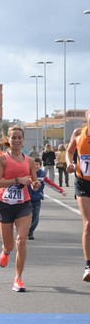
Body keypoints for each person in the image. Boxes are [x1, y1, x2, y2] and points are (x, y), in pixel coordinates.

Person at [0, 126, 40, 292]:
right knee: (10, 245)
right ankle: (6, 251)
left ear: (23, 140)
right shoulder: (2, 159)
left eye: (19, 138)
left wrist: (35, 184)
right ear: (9, 140)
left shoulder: (30, 161)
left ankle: (18, 279)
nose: (17, 141)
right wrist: (17, 180)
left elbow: (34, 184)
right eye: (13, 138)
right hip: (4, 204)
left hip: (23, 204)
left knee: (21, 240)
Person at [66, 108, 90, 282]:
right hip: (82, 182)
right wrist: (69, 164)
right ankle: (88, 265)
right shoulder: (78, 133)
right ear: (87, 116)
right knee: (88, 223)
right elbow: (69, 151)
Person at [28, 157, 66, 240]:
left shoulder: (42, 174)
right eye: (34, 164)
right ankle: (23, 231)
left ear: (41, 166)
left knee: (35, 217)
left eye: (37, 164)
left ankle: (30, 232)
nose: (35, 166)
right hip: (26, 199)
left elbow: (50, 183)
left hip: (36, 199)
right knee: (25, 217)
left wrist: (61, 190)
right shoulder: (26, 173)